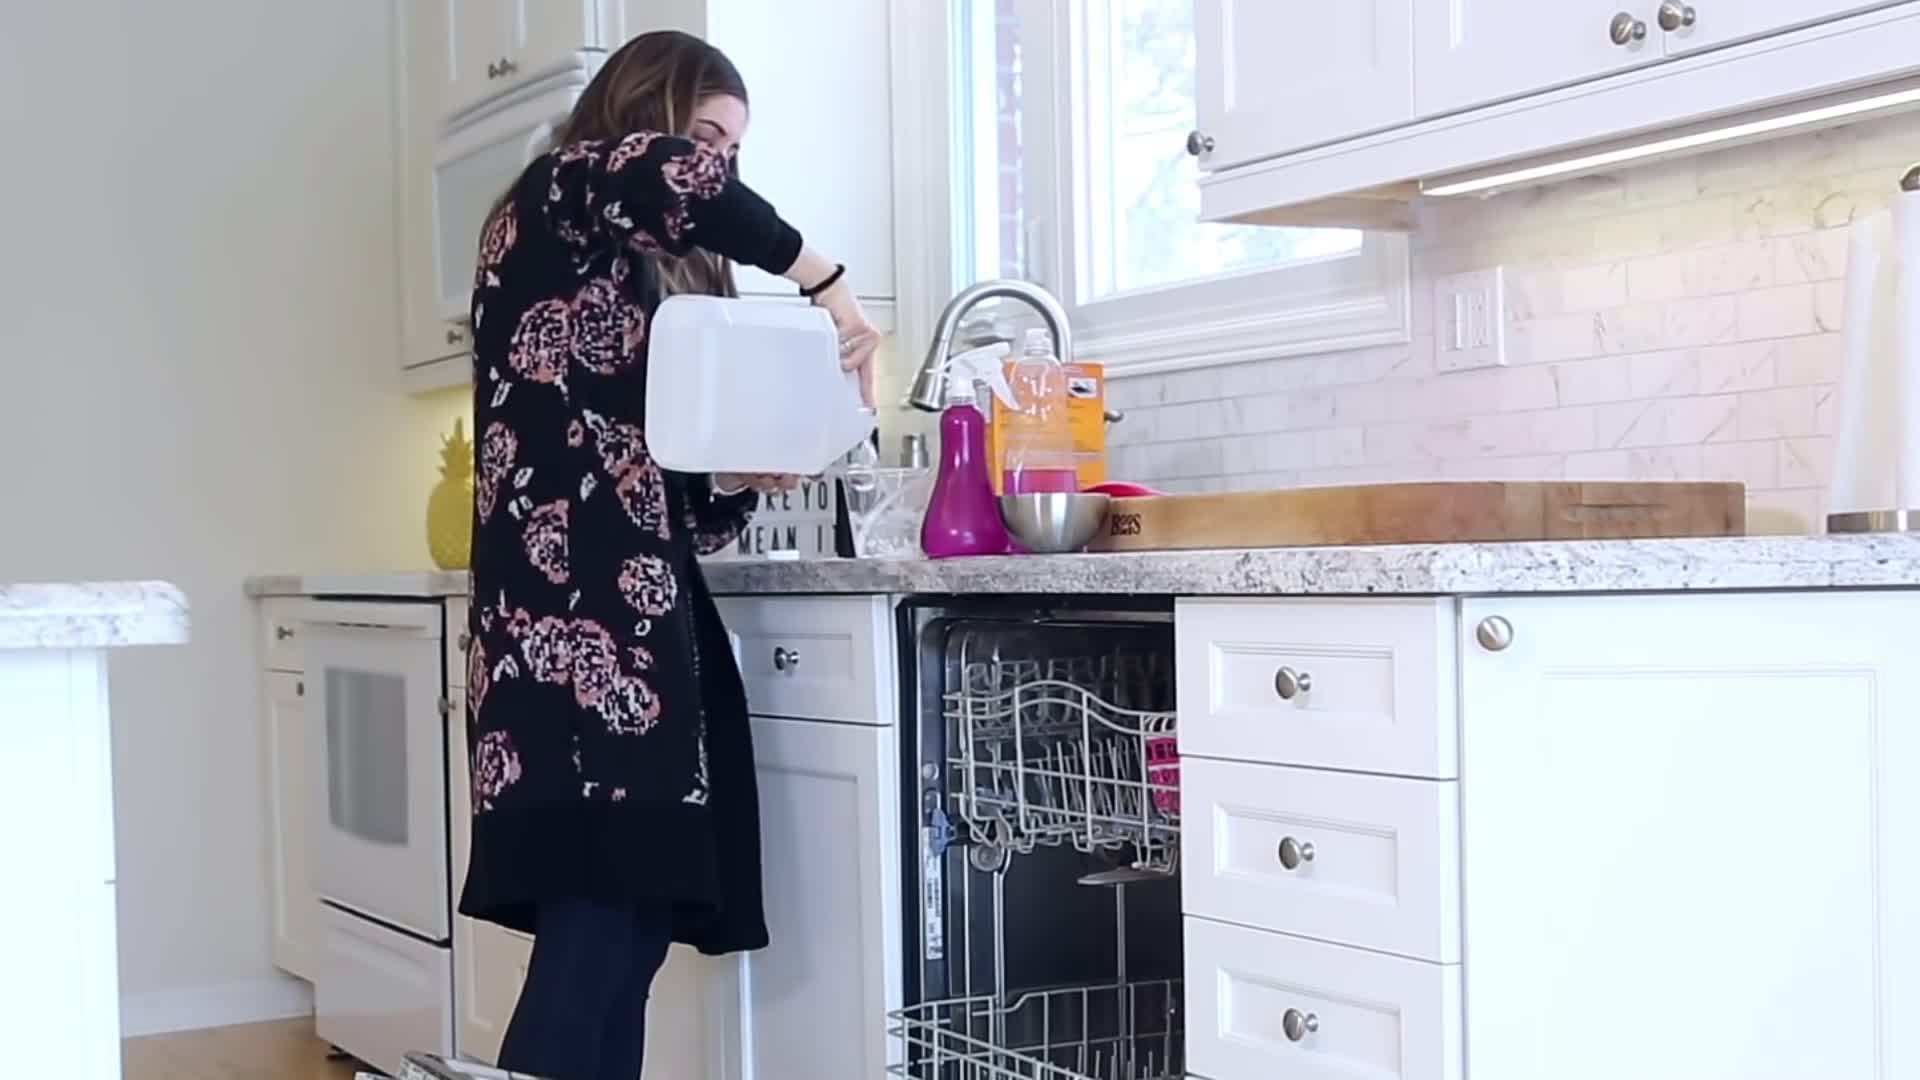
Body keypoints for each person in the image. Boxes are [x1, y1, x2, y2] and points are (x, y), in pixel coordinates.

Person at [459, 29, 878, 1080]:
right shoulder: (558, 196)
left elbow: (665, 502)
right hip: (566, 645)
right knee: (595, 937)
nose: (716, 169)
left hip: (642, 637)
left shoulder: (644, 274)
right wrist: (829, 283)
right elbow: (667, 179)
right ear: (645, 110)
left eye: (733, 151)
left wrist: (737, 476)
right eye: (705, 138)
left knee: (628, 937)